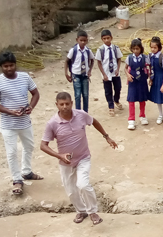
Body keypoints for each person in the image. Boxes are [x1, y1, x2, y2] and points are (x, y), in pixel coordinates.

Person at [40, 92, 117, 225]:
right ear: (56, 105)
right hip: (66, 162)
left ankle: (92, 212)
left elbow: (94, 122)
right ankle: (81, 211)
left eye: (67, 103)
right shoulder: (52, 123)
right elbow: (43, 145)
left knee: (83, 185)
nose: (65, 107)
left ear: (71, 103)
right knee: (71, 191)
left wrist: (107, 137)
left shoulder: (81, 115)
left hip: (83, 158)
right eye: (61, 104)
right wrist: (59, 155)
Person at [0, 51, 43, 197]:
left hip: (25, 121)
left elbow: (36, 94)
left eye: (11, 65)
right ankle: (16, 179)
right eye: (5, 66)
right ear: (1, 67)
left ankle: (27, 172)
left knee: (29, 146)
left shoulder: (25, 77)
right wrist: (9, 111)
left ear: (15, 64)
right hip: (8, 124)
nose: (9, 68)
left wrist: (31, 106)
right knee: (11, 152)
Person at [64, 30, 94, 113]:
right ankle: (77, 112)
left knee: (85, 94)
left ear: (87, 40)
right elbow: (67, 61)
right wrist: (66, 73)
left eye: (85, 40)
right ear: (77, 40)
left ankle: (85, 112)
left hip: (85, 75)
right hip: (76, 75)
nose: (83, 42)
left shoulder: (88, 51)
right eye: (81, 40)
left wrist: (89, 71)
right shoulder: (73, 50)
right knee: (77, 95)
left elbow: (92, 60)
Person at [95, 30, 123, 117]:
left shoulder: (115, 48)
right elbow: (99, 62)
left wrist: (118, 69)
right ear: (102, 39)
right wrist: (103, 74)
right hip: (106, 73)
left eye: (108, 38)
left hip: (115, 72)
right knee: (108, 90)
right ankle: (111, 106)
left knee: (118, 87)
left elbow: (119, 59)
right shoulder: (101, 50)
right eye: (104, 39)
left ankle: (116, 100)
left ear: (111, 38)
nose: (106, 40)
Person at [125, 38, 150, 130]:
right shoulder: (129, 58)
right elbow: (125, 68)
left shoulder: (144, 58)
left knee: (142, 99)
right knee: (131, 100)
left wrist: (150, 77)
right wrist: (127, 75)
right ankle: (131, 120)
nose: (135, 51)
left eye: (137, 49)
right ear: (131, 49)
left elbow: (149, 67)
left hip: (142, 81)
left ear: (141, 49)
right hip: (133, 81)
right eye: (134, 49)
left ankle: (142, 116)